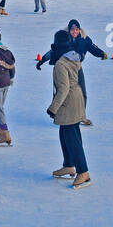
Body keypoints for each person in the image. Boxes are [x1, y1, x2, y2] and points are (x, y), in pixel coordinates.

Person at [46, 30, 91, 190]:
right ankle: (69, 165)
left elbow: (63, 88)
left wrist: (53, 108)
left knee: (72, 138)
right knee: (65, 133)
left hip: (68, 101)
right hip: (76, 98)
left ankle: (83, 172)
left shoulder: (61, 64)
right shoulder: (73, 56)